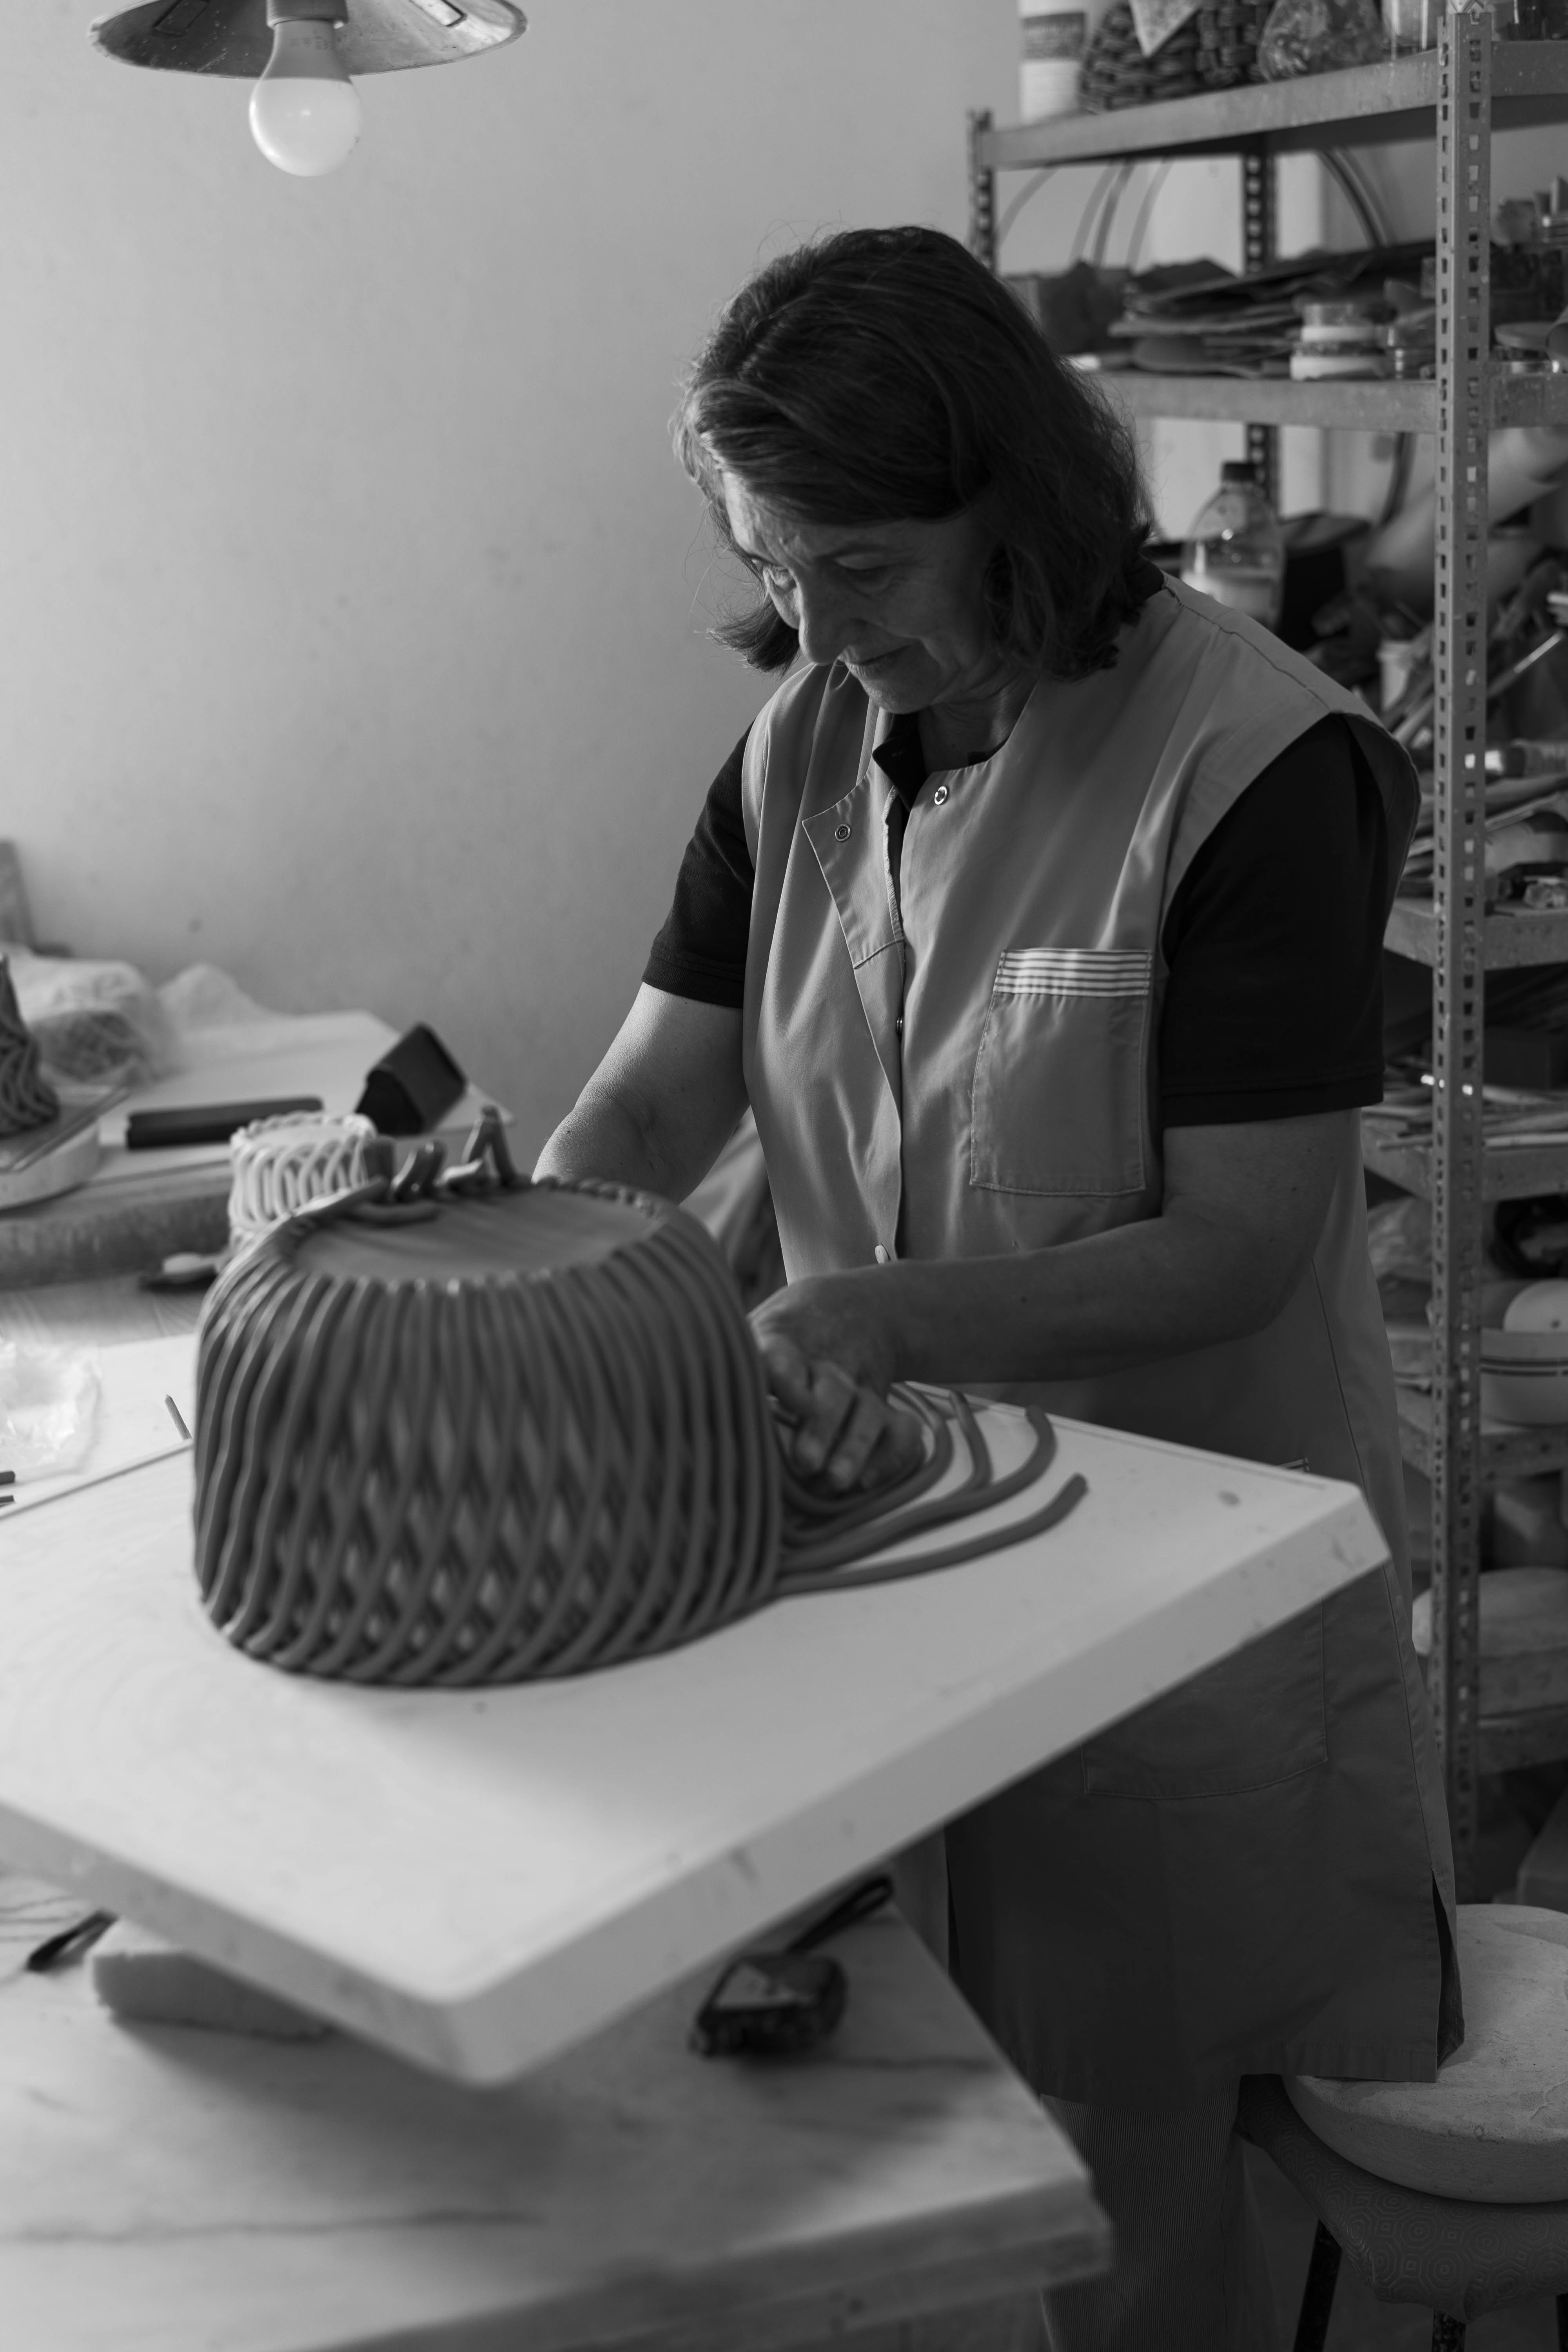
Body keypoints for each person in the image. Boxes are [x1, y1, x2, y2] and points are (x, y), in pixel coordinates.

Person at [537, 225, 1457, 2351]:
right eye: (776, 569)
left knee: (1126, 2202)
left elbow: (1240, 1239)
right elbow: (655, 1098)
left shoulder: (1253, 765)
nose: (816, 628)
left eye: (863, 568)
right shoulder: (799, 747)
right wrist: (524, 1253)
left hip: (1171, 1588)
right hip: (878, 1562)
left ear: (1012, 504)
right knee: (887, 2163)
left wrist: (872, 1322)